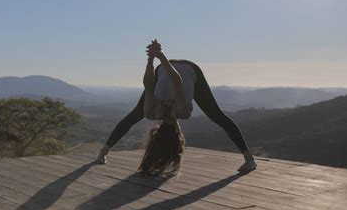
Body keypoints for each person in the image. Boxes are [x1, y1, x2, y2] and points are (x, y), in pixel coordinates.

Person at [95, 39, 257, 174]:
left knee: (135, 115)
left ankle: (103, 152)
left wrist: (153, 58)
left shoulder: (161, 112)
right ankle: (248, 158)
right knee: (217, 115)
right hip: (186, 69)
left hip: (173, 69)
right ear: (156, 132)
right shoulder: (163, 113)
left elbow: (151, 85)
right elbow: (175, 83)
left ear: (179, 134)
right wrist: (157, 57)